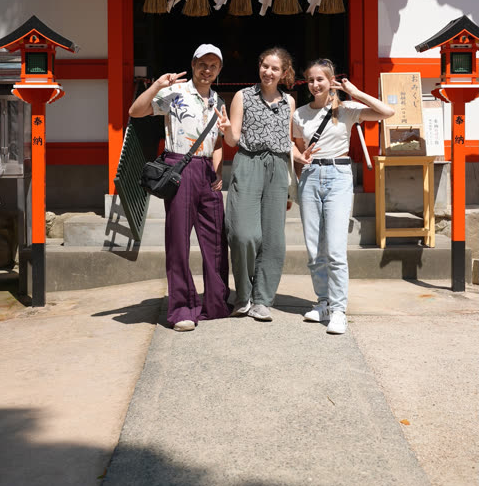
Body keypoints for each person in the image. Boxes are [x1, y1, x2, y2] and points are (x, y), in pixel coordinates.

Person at [129, 44, 231, 332]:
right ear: (193, 63)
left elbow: (220, 143)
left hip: (208, 171)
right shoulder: (175, 93)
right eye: (202, 63)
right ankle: (182, 308)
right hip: (180, 167)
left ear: (219, 70)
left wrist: (218, 171)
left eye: (213, 65)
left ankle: (216, 302)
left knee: (215, 241)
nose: (207, 69)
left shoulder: (219, 102)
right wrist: (157, 85)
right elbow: (135, 111)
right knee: (178, 241)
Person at [292, 58, 394, 334]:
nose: (315, 84)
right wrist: (298, 173)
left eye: (320, 79)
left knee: (335, 249)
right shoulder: (299, 113)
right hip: (311, 177)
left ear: (331, 80)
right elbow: (297, 150)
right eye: (311, 80)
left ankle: (338, 310)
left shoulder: (346, 110)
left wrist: (355, 92)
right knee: (314, 249)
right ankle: (323, 302)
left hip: (338, 175)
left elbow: (387, 112)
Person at [216, 47, 295, 322]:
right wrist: (226, 129)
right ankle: (243, 295)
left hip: (277, 167)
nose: (268, 72)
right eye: (265, 66)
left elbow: (286, 141)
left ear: (284, 72)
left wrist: (299, 159)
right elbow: (233, 140)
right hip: (247, 163)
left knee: (274, 239)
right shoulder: (243, 96)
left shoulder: (289, 102)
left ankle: (262, 300)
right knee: (242, 234)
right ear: (259, 67)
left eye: (275, 68)